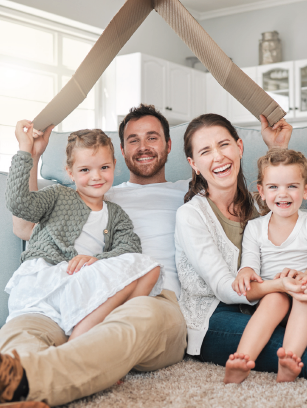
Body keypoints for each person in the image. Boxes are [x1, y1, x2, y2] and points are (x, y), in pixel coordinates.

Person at [175, 112, 307, 396]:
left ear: (239, 147)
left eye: (224, 145)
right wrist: (280, 285)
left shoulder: (257, 207)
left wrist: (306, 275)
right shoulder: (191, 215)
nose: (218, 157)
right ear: (194, 164)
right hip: (215, 317)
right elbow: (225, 288)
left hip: (273, 302)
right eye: (205, 151)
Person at [1, 105, 188, 407]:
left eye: (152, 138)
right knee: (19, 332)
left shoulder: (190, 191)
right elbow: (24, 226)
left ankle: (30, 382)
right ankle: (17, 390)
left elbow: (267, 197)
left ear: (168, 145)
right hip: (76, 290)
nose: (142, 147)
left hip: (151, 300)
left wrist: (277, 150)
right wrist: (32, 154)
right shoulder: (88, 192)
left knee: (138, 316)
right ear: (123, 152)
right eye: (133, 140)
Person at [5, 121, 162, 341]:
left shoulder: (115, 214)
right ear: (70, 172)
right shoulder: (58, 196)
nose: (96, 176)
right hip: (48, 280)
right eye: (85, 170)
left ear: (114, 165)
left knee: (149, 267)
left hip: (82, 283)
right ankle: (82, 340)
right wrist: (25, 150)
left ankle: (93, 335)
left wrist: (96, 259)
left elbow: (130, 248)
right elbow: (18, 203)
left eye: (104, 167)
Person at [225, 148, 307, 384]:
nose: (283, 194)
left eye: (292, 186)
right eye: (274, 187)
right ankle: (242, 360)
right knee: (274, 296)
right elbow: (249, 264)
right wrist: (245, 271)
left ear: (306, 190)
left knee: (303, 291)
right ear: (261, 191)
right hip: (276, 299)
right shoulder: (255, 227)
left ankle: (289, 360)